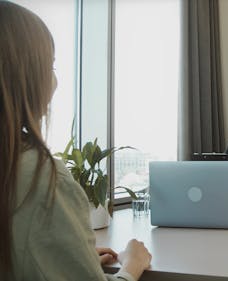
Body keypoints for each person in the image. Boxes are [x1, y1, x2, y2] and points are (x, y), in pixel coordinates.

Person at [0, 2, 151, 280]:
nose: (55, 81)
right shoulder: (38, 176)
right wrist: (132, 264)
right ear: (26, 77)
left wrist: (69, 257)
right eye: (50, 66)